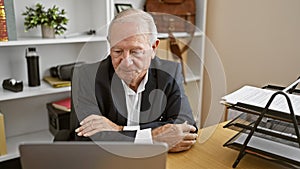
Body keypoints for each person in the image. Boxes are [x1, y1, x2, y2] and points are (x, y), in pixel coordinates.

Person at [71, 8, 198, 152]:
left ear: (153, 48)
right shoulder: (86, 76)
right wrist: (152, 138)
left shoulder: (170, 72)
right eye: (117, 51)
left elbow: (187, 128)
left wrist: (118, 129)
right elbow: (84, 138)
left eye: (135, 52)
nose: (126, 62)